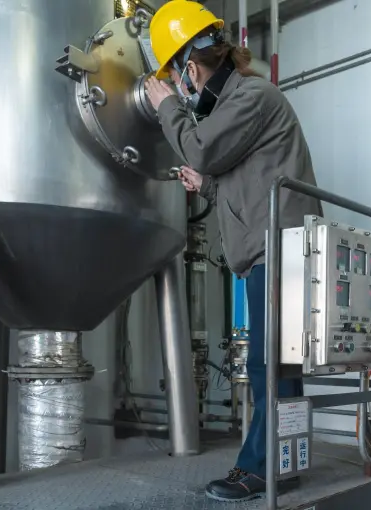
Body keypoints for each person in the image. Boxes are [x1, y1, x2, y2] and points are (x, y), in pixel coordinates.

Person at [143, 0, 322, 503]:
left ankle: (260, 470)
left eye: (175, 75)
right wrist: (205, 185)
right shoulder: (235, 105)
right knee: (279, 365)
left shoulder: (252, 95)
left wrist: (166, 107)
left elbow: (200, 148)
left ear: (189, 67)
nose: (178, 85)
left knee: (271, 366)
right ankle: (284, 465)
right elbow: (245, 184)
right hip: (268, 249)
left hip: (279, 250)